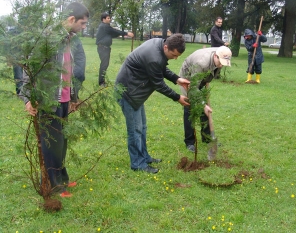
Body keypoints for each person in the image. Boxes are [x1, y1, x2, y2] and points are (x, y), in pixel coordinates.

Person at [21, 2, 89, 197]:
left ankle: (62, 177)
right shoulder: (47, 39)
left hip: (64, 98)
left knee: (62, 140)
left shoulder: (70, 39)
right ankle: (53, 185)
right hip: (49, 100)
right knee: (51, 142)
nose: (84, 27)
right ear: (71, 20)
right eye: (82, 23)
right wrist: (28, 98)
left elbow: (70, 70)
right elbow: (30, 70)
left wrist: (74, 97)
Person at [115, 33, 191, 174]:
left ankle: (144, 156)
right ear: (166, 47)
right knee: (135, 131)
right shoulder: (154, 57)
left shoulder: (159, 44)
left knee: (142, 127)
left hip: (135, 91)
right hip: (128, 92)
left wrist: (177, 79)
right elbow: (159, 84)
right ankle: (138, 164)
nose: (175, 58)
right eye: (174, 55)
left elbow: (161, 68)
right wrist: (177, 97)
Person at [178, 46, 232, 152]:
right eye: (220, 62)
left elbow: (211, 73)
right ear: (215, 56)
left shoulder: (221, 55)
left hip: (201, 78)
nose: (221, 65)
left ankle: (207, 138)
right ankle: (189, 142)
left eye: (223, 63)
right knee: (190, 107)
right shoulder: (201, 62)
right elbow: (193, 88)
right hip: (187, 79)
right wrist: (203, 104)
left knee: (205, 110)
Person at [96, 12, 134, 86]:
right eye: (108, 18)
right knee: (104, 65)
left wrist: (122, 34)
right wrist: (126, 33)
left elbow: (113, 34)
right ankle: (101, 82)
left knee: (105, 65)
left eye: (110, 18)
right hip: (103, 48)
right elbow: (114, 31)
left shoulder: (105, 27)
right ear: (103, 19)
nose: (110, 19)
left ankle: (102, 81)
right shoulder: (104, 26)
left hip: (105, 48)